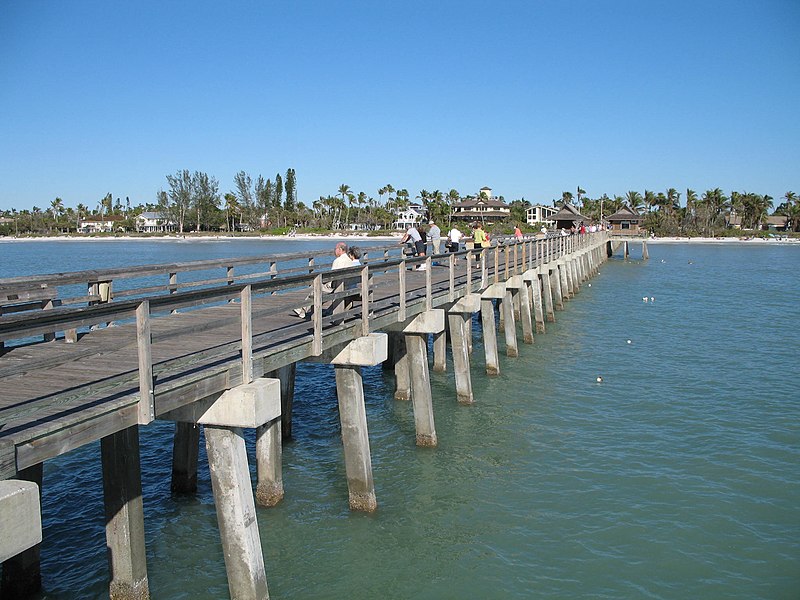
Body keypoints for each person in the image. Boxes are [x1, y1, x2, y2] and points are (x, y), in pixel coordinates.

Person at [293, 242, 353, 318]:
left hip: (337, 286)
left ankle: (302, 310)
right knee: (322, 288)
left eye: (335, 249)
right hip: (347, 286)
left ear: (340, 249)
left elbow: (332, 276)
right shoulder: (350, 260)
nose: (334, 251)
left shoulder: (338, 261)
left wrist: (324, 282)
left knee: (316, 290)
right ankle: (303, 309)